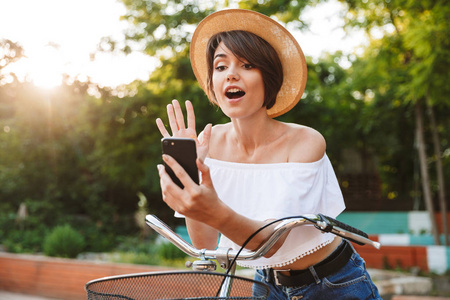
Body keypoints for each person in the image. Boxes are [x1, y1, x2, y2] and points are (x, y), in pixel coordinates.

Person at [156, 9, 381, 300]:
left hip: (332, 283)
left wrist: (213, 209)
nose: (231, 74)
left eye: (247, 65)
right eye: (220, 67)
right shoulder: (208, 144)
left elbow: (270, 242)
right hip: (266, 285)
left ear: (269, 77)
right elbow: (205, 245)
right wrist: (192, 176)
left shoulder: (306, 142)